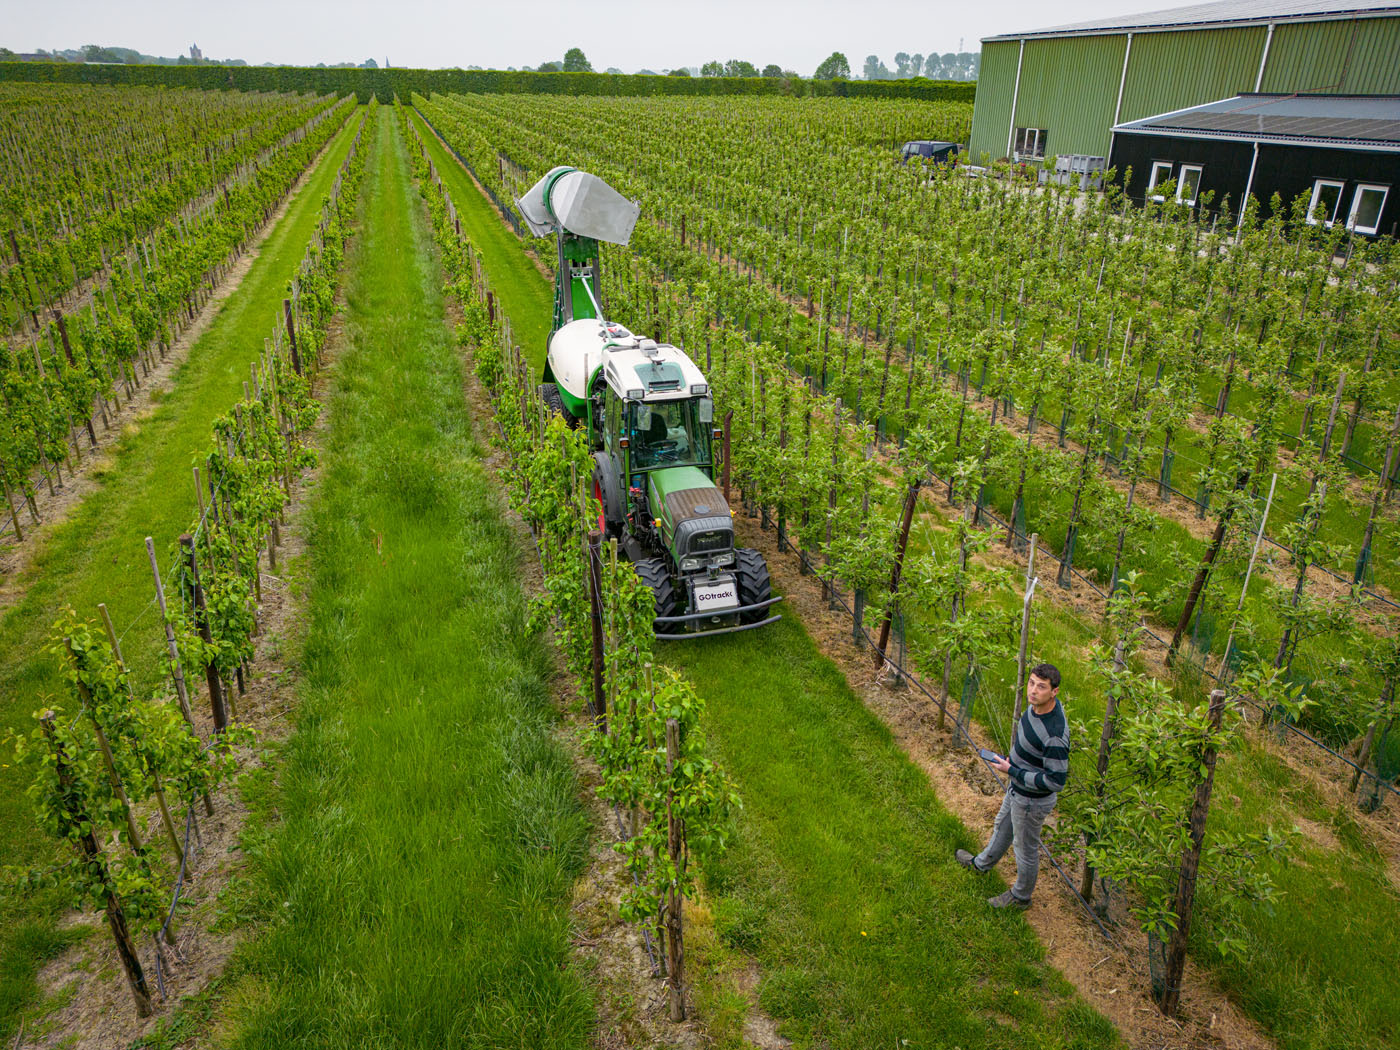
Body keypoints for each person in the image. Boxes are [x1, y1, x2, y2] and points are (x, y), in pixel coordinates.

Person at [956, 662, 1069, 909]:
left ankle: (1021, 897)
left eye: (1041, 687)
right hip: (1018, 789)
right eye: (1031, 683)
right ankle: (981, 865)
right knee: (1002, 827)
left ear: (1054, 691)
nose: (1033, 691)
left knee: (1024, 848)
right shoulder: (1035, 709)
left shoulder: (1055, 734)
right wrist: (1012, 761)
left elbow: (1056, 781)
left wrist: (1014, 771)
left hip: (1032, 800)